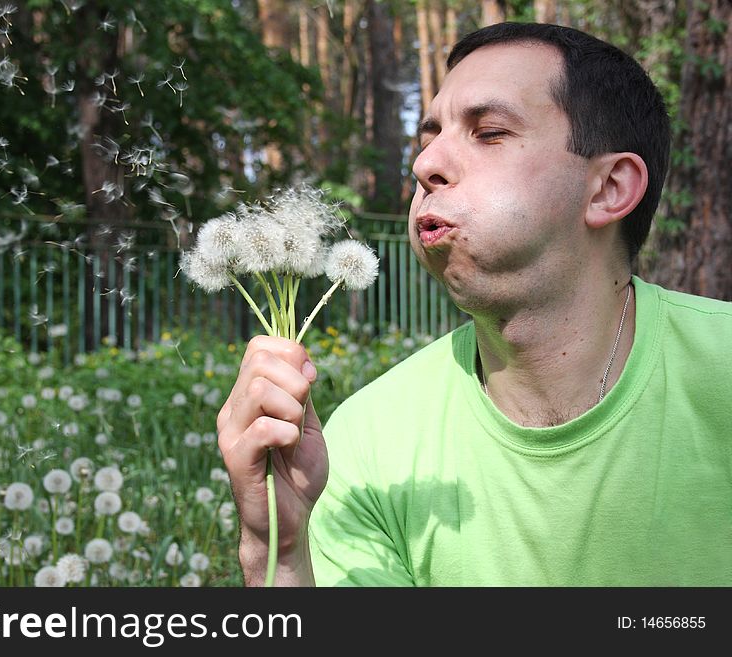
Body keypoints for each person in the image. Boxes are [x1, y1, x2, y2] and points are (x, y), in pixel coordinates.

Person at [217, 22, 732, 586]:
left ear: (609, 189)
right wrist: (280, 555)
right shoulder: (364, 441)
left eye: (488, 132)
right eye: (427, 138)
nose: (425, 165)